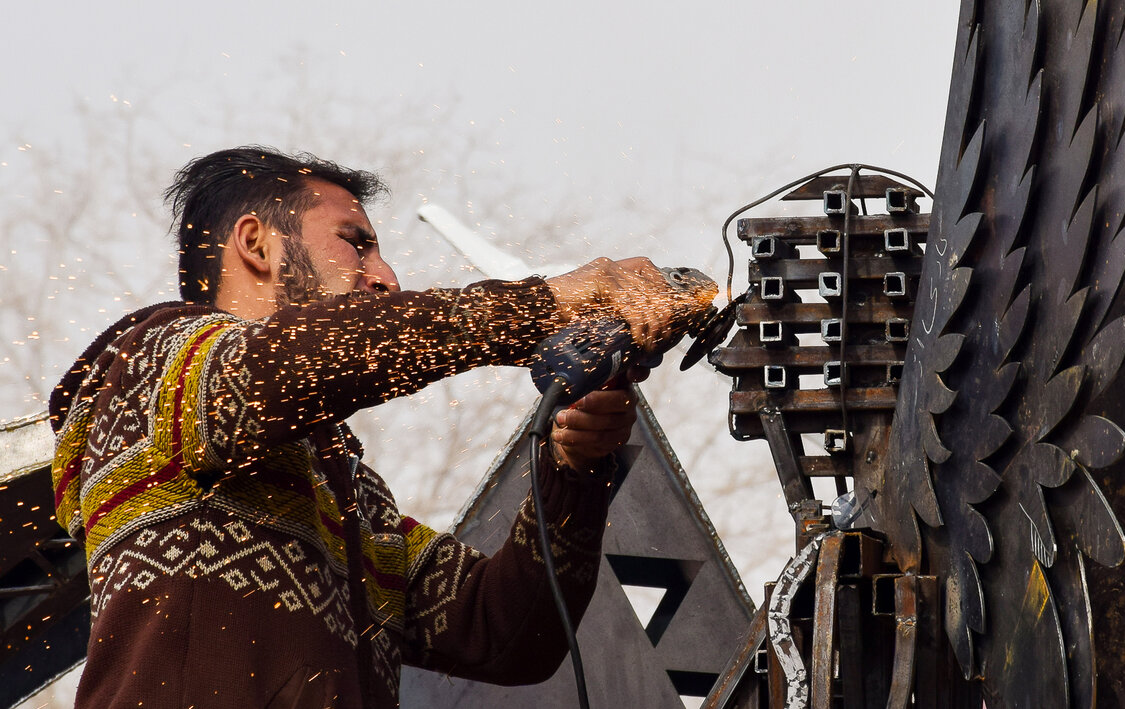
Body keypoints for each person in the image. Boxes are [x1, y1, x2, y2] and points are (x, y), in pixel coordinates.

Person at [48, 146, 714, 708]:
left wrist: (574, 466)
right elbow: (294, 362)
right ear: (255, 243)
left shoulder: (351, 500)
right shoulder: (156, 362)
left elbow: (512, 632)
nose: (386, 278)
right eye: (356, 243)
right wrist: (541, 305)